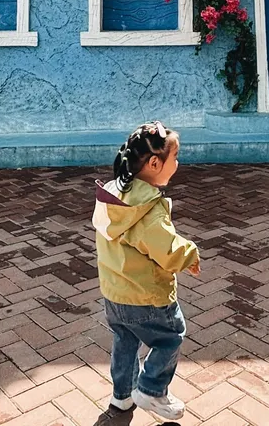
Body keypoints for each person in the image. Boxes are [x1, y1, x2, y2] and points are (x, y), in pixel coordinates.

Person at [92, 120, 200, 420]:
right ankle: (151, 389)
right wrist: (190, 255)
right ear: (154, 163)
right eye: (174, 157)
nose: (177, 163)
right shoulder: (148, 211)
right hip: (145, 296)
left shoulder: (113, 198)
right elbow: (167, 249)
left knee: (125, 341)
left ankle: (122, 396)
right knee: (171, 336)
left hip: (114, 293)